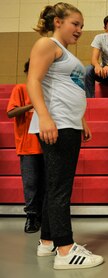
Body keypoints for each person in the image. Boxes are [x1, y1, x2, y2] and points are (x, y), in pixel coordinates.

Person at [27, 2, 103, 269]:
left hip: (68, 124)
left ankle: (47, 241)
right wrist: (45, 117)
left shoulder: (64, 52)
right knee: (61, 188)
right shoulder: (46, 45)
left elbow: (69, 87)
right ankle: (65, 250)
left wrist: (81, 119)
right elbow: (33, 81)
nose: (79, 30)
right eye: (75, 24)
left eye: (82, 26)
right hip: (56, 124)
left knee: (54, 186)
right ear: (58, 21)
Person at [6, 60, 45, 234]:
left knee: (46, 182)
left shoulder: (48, 90)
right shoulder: (20, 89)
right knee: (31, 183)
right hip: (28, 146)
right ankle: (31, 215)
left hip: (47, 144)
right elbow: (10, 112)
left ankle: (44, 216)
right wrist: (33, 104)